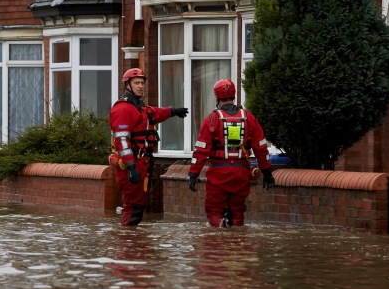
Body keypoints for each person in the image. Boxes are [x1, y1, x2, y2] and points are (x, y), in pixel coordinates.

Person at [187, 79, 275, 227]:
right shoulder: (249, 118)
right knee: (237, 211)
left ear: (216, 97)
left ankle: (218, 245)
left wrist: (193, 174)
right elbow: (261, 148)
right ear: (233, 95)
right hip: (241, 174)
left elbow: (201, 150)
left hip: (218, 174)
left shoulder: (212, 120)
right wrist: (267, 172)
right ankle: (238, 244)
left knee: (215, 210)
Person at [108, 68, 188, 226]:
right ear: (127, 85)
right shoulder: (123, 108)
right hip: (131, 165)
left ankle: (133, 242)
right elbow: (122, 140)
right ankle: (128, 242)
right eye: (136, 83)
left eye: (142, 83)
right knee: (132, 205)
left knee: (138, 205)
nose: (140, 86)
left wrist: (173, 111)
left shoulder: (140, 107)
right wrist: (131, 166)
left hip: (142, 163)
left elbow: (155, 112)